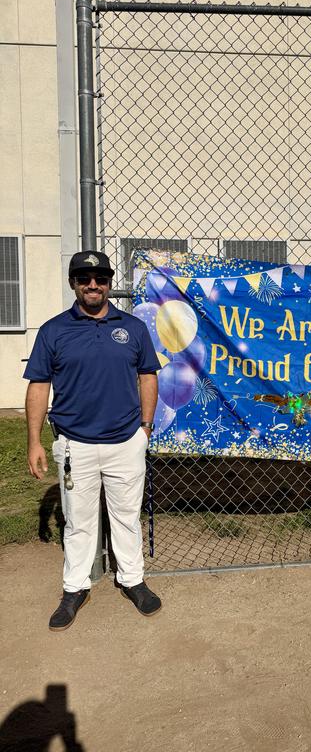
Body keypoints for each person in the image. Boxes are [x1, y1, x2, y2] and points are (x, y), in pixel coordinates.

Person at [25, 250, 162, 630]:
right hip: (75, 445)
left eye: (100, 278)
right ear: (73, 283)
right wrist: (33, 441)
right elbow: (39, 385)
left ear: (108, 283)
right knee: (79, 522)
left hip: (125, 442)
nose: (92, 285)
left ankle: (132, 580)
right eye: (84, 278)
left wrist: (145, 428)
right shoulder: (53, 331)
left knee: (126, 517)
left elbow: (148, 375)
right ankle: (75, 588)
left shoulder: (133, 328)